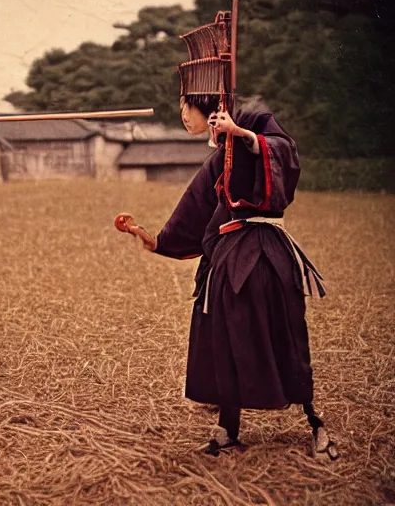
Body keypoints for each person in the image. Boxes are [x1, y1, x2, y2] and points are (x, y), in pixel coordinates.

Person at [140, 90, 335, 459]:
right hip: (229, 257)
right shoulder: (219, 157)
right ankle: (227, 430)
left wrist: (242, 135)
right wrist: (160, 241)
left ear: (208, 109)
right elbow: (197, 204)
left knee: (286, 332)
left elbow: (283, 151)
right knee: (224, 335)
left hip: (264, 252)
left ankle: (313, 420)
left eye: (187, 109)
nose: (183, 116)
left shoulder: (254, 126)